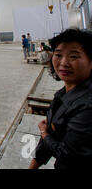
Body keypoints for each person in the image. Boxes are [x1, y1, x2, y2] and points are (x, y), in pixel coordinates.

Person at [29, 28, 92, 169]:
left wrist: (44, 133)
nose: (63, 63)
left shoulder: (87, 105)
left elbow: (67, 155)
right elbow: (51, 132)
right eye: (58, 55)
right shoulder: (63, 94)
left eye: (73, 56)